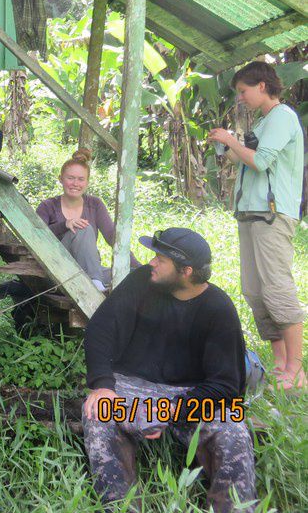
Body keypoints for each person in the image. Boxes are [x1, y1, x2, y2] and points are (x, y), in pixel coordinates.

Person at [82, 227, 255, 513]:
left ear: (186, 271)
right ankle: (120, 506)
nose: (152, 262)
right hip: (132, 385)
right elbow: (101, 329)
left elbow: (226, 385)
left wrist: (171, 410)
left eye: (161, 259)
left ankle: (233, 508)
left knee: (233, 431)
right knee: (99, 413)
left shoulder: (218, 307)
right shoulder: (142, 281)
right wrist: (102, 384)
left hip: (192, 394)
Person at [209, 61, 305, 390]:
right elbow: (247, 160)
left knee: (277, 288)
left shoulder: (282, 116)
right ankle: (280, 363)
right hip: (250, 213)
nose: (241, 98)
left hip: (272, 215)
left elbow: (261, 162)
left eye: (243, 91)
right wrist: (227, 145)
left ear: (262, 86)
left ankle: (296, 369)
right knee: (253, 290)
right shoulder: (264, 122)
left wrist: (232, 140)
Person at [36, 149, 140, 290]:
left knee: (132, 275)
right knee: (82, 228)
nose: (75, 183)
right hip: (58, 270)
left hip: (89, 270)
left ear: (87, 182)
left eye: (81, 179)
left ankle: (95, 281)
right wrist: (64, 225)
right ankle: (96, 286)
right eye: (70, 178)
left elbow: (112, 237)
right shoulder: (47, 206)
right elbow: (36, 238)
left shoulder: (95, 204)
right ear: (60, 179)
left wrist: (139, 267)